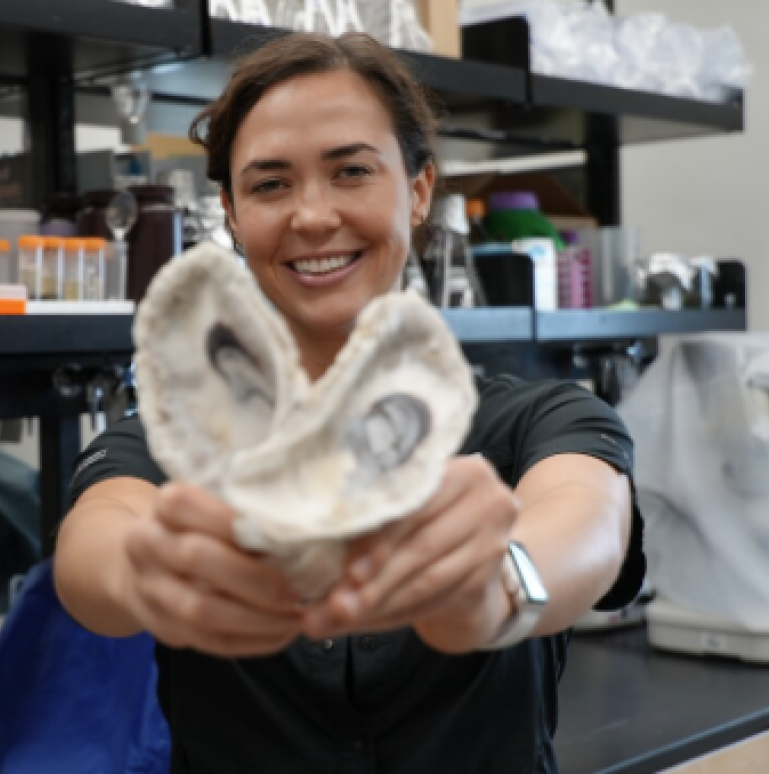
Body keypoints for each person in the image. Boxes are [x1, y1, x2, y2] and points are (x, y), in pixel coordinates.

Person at [55, 31, 644, 773]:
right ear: (232, 214)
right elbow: (94, 546)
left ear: (420, 188)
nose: (311, 216)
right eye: (270, 184)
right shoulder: (174, 443)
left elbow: (587, 524)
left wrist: (498, 585)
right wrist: (157, 572)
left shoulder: (537, 419)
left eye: (350, 172)